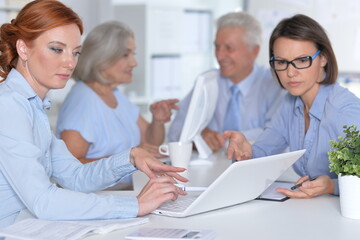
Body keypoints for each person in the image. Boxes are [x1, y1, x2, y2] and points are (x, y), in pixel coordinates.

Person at [0, 0, 187, 230]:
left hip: (29, 227)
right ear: (23, 48)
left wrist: (130, 157)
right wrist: (134, 206)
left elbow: (75, 176)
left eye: (75, 52)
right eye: (57, 49)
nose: (70, 62)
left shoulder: (34, 106)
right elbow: (43, 201)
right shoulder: (8, 105)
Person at [225, 14, 360, 198]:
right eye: (281, 62)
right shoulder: (290, 103)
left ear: (323, 59)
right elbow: (263, 152)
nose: (290, 72)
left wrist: (331, 186)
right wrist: (246, 150)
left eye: (302, 60)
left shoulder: (344, 111)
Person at [56, 21, 178, 163]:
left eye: (133, 54)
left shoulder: (114, 94)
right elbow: (69, 168)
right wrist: (127, 159)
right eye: (125, 55)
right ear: (102, 58)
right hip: (110, 187)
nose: (134, 63)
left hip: (131, 184)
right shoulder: (83, 101)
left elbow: (150, 142)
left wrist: (157, 120)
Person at [167, 11, 285, 151]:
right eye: (217, 46)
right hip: (211, 170)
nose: (220, 56)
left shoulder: (274, 85)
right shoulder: (208, 81)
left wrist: (226, 140)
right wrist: (198, 134)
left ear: (254, 51)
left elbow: (276, 135)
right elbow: (175, 131)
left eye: (229, 48)